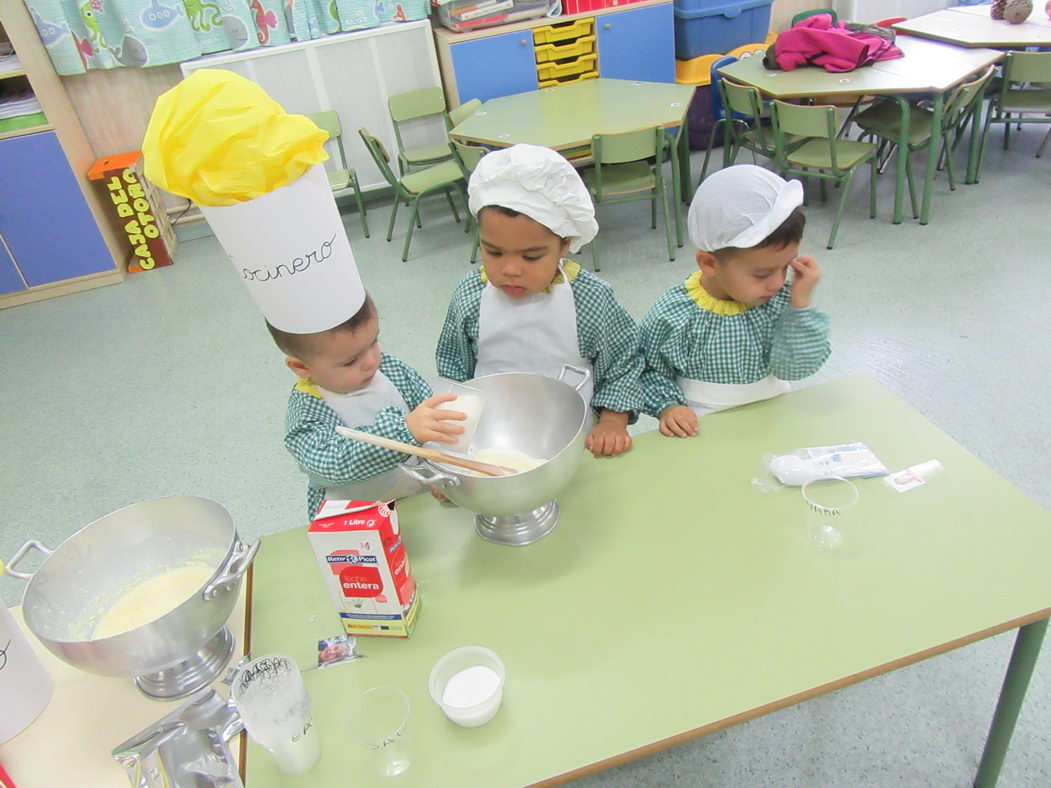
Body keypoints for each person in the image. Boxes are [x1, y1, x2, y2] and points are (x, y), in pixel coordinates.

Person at [435, 144, 644, 457]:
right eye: (493, 252)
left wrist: (613, 420)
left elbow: (622, 363)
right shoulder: (469, 296)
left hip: (573, 436)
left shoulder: (591, 299)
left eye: (531, 256)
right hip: (492, 439)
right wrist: (450, 449)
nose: (510, 269)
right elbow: (454, 371)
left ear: (565, 245)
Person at [640, 165, 830, 437]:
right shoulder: (675, 313)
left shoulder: (779, 300)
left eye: (786, 266)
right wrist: (668, 406)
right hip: (703, 423)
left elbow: (797, 368)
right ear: (709, 263)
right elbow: (648, 369)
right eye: (762, 274)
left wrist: (801, 305)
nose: (777, 283)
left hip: (774, 413)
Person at [270, 295, 465, 519]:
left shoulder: (392, 369)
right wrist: (404, 432)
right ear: (301, 366)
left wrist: (439, 472)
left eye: (373, 342)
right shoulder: (307, 412)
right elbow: (333, 464)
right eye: (350, 361)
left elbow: (433, 425)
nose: (371, 361)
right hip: (356, 517)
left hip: (414, 497)